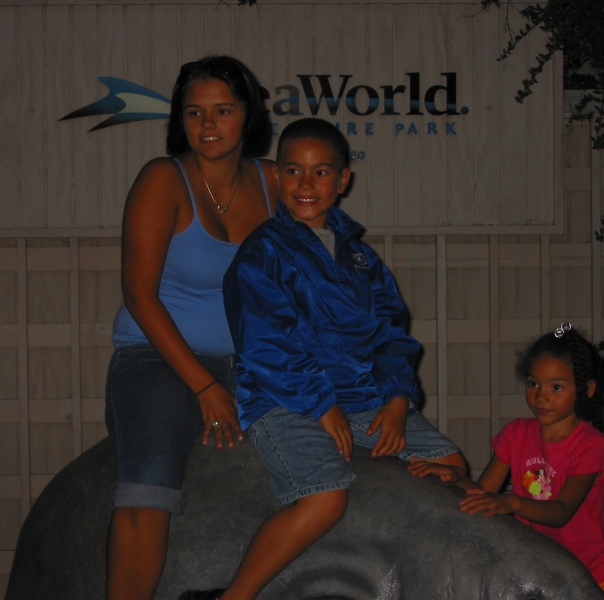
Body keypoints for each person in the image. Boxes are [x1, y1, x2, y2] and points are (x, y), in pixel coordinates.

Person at [179, 118, 466, 600]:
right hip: (285, 399)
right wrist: (320, 405)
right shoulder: (263, 251)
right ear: (278, 177)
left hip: (362, 397)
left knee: (452, 463)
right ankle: (235, 596)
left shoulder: (362, 258)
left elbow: (391, 333)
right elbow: (266, 343)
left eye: (320, 172)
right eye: (293, 171)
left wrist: (398, 399)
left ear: (343, 179)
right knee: (326, 498)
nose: (306, 184)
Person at [104, 55, 277, 600]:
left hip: (251, 363)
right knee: (150, 484)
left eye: (223, 110)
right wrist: (204, 387)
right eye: (194, 112)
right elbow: (139, 293)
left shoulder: (274, 182)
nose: (207, 125)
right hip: (157, 359)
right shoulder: (163, 178)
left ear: (249, 115)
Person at [412, 322, 604, 600]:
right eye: (533, 384)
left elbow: (562, 511)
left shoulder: (590, 446)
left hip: (593, 574)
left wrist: (513, 502)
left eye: (557, 387)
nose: (541, 396)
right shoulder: (516, 435)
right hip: (542, 571)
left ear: (587, 389)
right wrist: (453, 477)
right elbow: (483, 494)